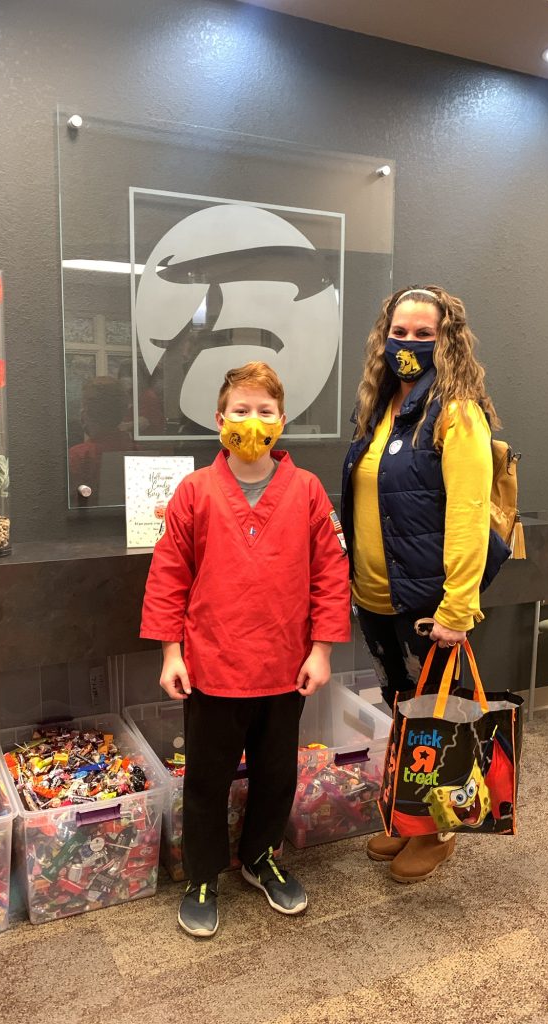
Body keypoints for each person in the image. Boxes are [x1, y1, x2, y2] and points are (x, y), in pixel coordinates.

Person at [141, 361, 351, 937]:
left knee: (276, 773)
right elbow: (168, 576)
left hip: (286, 670)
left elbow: (331, 573)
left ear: (282, 422)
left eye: (264, 411)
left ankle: (260, 857)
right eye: (240, 409)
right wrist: (170, 652)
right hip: (212, 669)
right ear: (219, 420)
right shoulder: (195, 492)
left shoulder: (307, 491)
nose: (251, 421)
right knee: (206, 779)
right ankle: (203, 873)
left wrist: (323, 649)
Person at [341, 285, 510, 883]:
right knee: (402, 714)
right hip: (377, 597)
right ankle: (411, 817)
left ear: (448, 340)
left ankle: (435, 833)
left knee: (434, 719)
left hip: (427, 604)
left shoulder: (456, 411)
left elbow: (467, 512)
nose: (407, 344)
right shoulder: (382, 407)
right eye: (399, 333)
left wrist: (458, 605)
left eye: (423, 334)